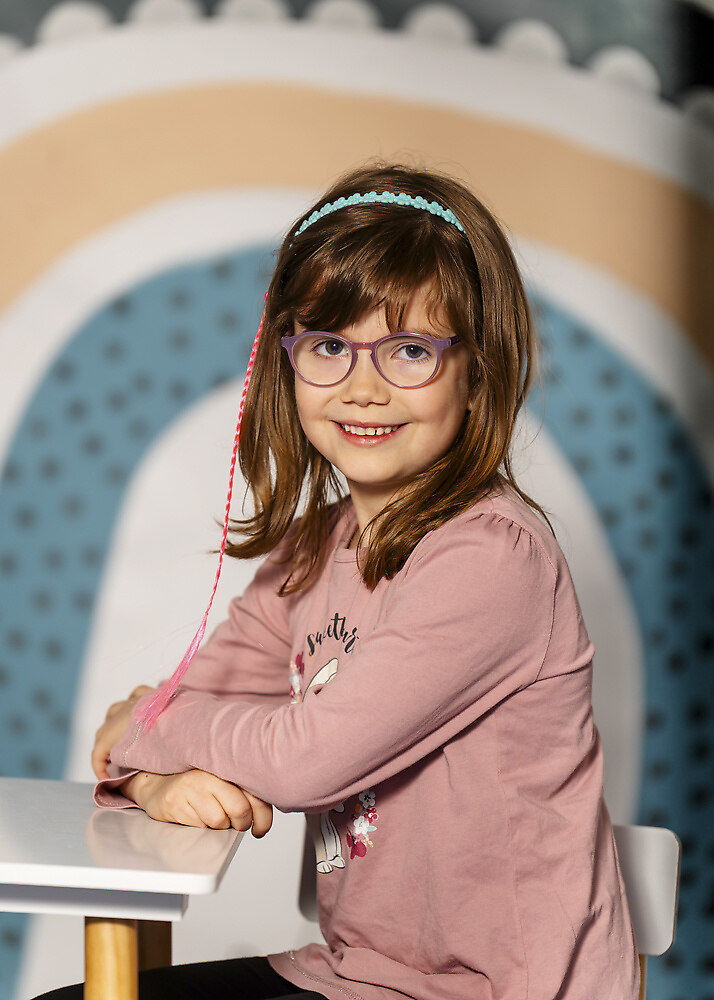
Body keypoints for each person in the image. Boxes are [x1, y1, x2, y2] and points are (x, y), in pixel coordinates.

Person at [39, 164, 639, 1000]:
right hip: (359, 978)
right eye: (329, 347)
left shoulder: (492, 558)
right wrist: (157, 776)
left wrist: (148, 727)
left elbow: (299, 762)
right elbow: (184, 707)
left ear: (476, 373)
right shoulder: (313, 551)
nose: (363, 387)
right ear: (285, 362)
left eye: (410, 351)